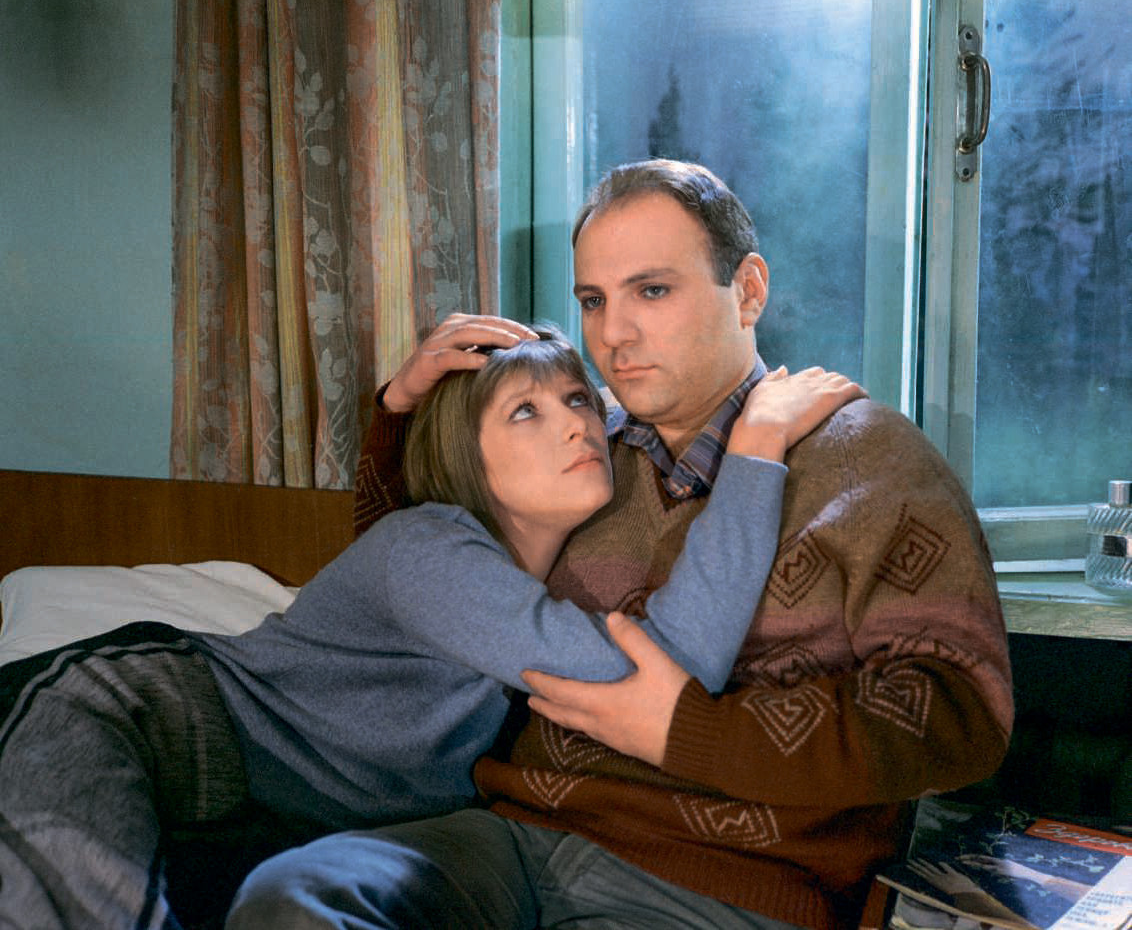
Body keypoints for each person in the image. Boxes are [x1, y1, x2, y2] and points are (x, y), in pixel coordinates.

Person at [228, 160, 1015, 930]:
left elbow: (962, 713)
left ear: (748, 290)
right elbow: (425, 571)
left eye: (652, 290)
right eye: (593, 300)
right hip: (513, 836)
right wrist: (399, 411)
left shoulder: (865, 455)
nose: (612, 334)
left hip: (722, 881)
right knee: (292, 895)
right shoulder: (581, 444)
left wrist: (693, 732)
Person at [0, 327, 858, 930]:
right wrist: (756, 453)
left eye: (577, 400)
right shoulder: (426, 548)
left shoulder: (546, 579)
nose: (574, 421)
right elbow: (659, 673)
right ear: (463, 455)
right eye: (525, 412)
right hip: (142, 716)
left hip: (266, 823)